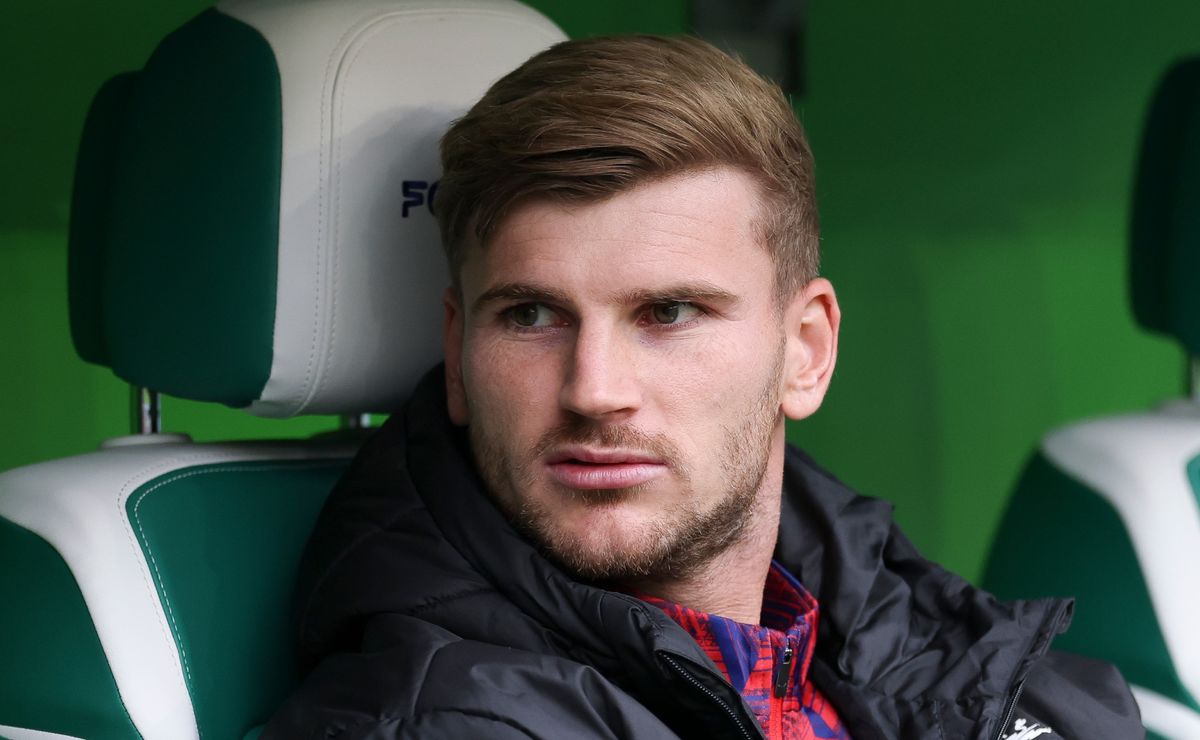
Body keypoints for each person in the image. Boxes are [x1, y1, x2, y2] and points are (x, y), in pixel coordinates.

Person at [265, 35, 1142, 739]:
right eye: (531, 315)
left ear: (806, 351)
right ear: (459, 354)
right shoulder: (439, 720)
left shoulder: (879, 618)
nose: (593, 390)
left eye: (669, 312)